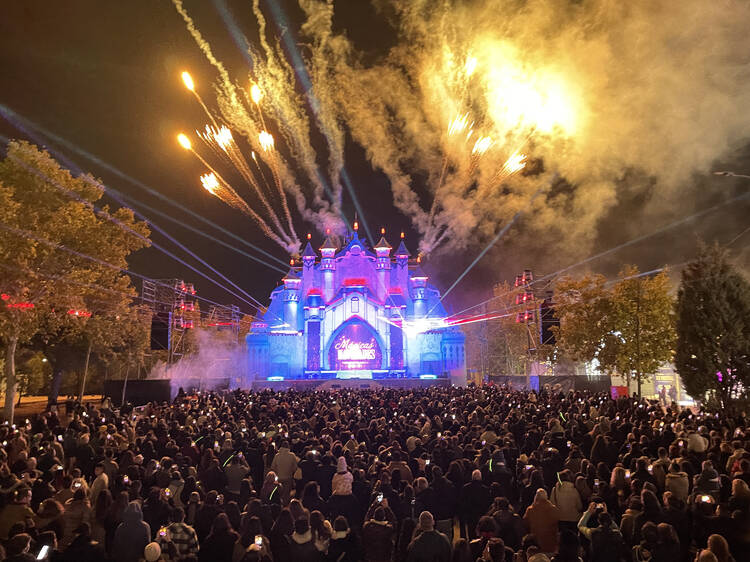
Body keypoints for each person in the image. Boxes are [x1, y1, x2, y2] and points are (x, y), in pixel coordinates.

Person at [523, 489, 561, 554]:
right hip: (550, 542)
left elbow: (525, 523)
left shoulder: (530, 510)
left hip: (536, 542)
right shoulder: (553, 509)